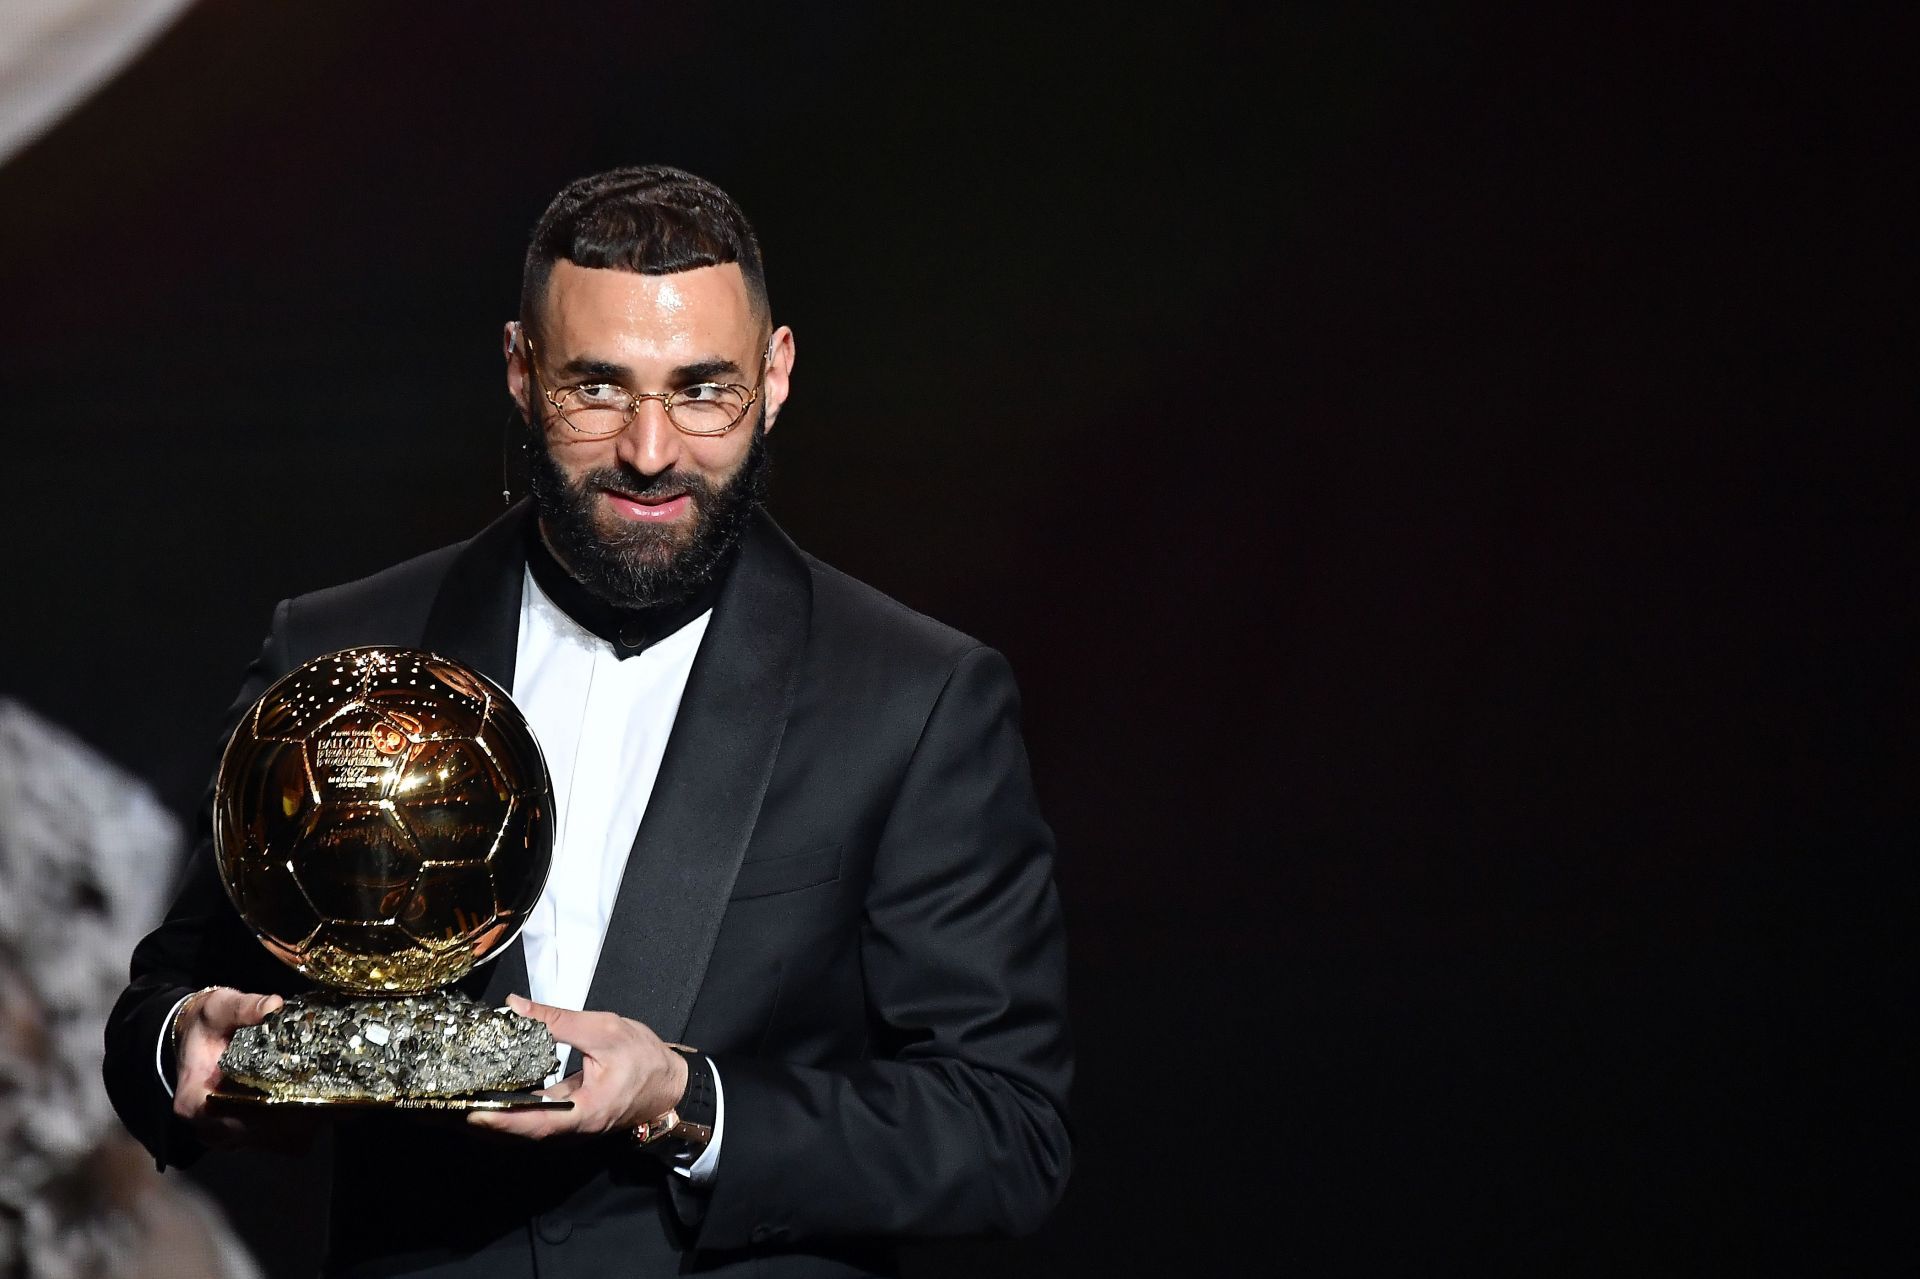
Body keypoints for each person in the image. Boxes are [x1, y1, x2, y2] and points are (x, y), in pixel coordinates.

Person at [103, 166, 1072, 1278]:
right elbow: (159, 1011)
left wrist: (687, 1098)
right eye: (599, 390)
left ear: (778, 374)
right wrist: (191, 1048)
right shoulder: (339, 654)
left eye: (703, 391)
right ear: (522, 373)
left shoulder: (915, 697)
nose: (652, 451)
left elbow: (1007, 1129)